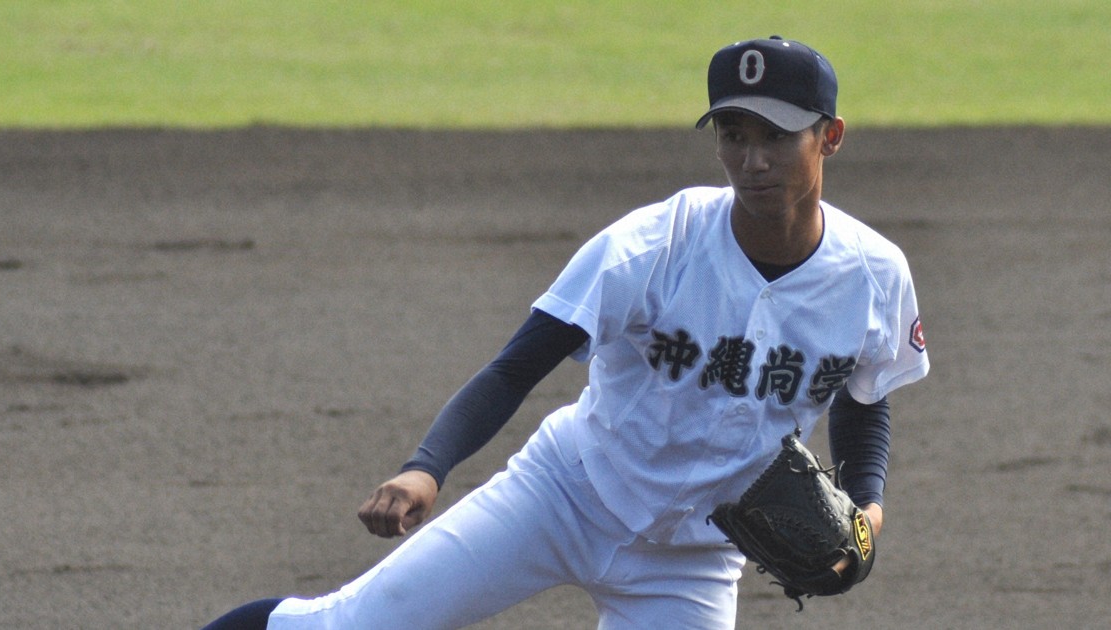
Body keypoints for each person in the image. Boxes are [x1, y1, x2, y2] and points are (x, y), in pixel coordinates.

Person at [204, 35, 929, 629]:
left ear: (828, 137)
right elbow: (517, 366)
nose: (752, 159)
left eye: (776, 135)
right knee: (346, 627)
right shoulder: (652, 246)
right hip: (564, 495)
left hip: (694, 561)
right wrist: (427, 467)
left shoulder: (874, 276)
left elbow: (862, 395)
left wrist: (867, 507)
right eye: (734, 135)